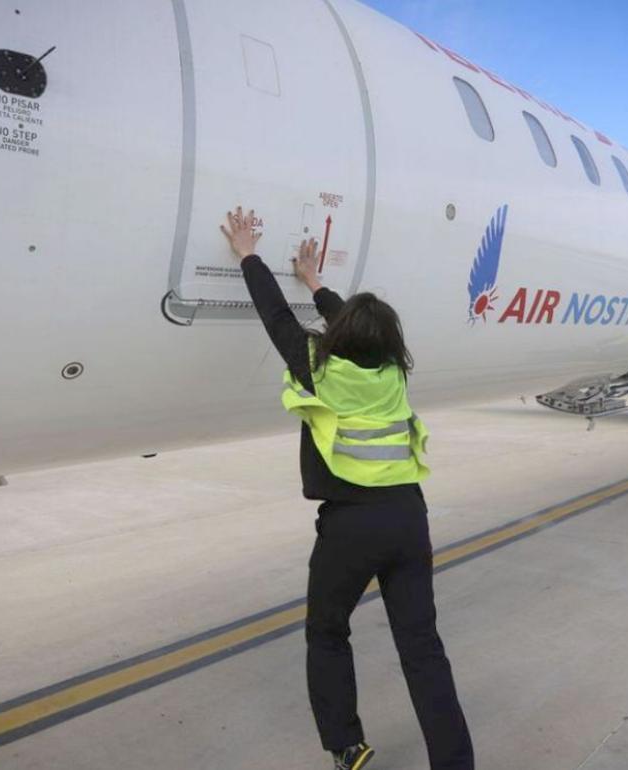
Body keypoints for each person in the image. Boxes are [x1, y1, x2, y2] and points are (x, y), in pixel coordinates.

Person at [220, 206, 474, 770]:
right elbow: (351, 325)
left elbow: (275, 316)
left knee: (328, 631)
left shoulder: (317, 364)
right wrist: (316, 282)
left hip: (351, 524)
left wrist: (247, 253)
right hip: (409, 517)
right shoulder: (392, 371)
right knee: (422, 647)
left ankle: (347, 745)